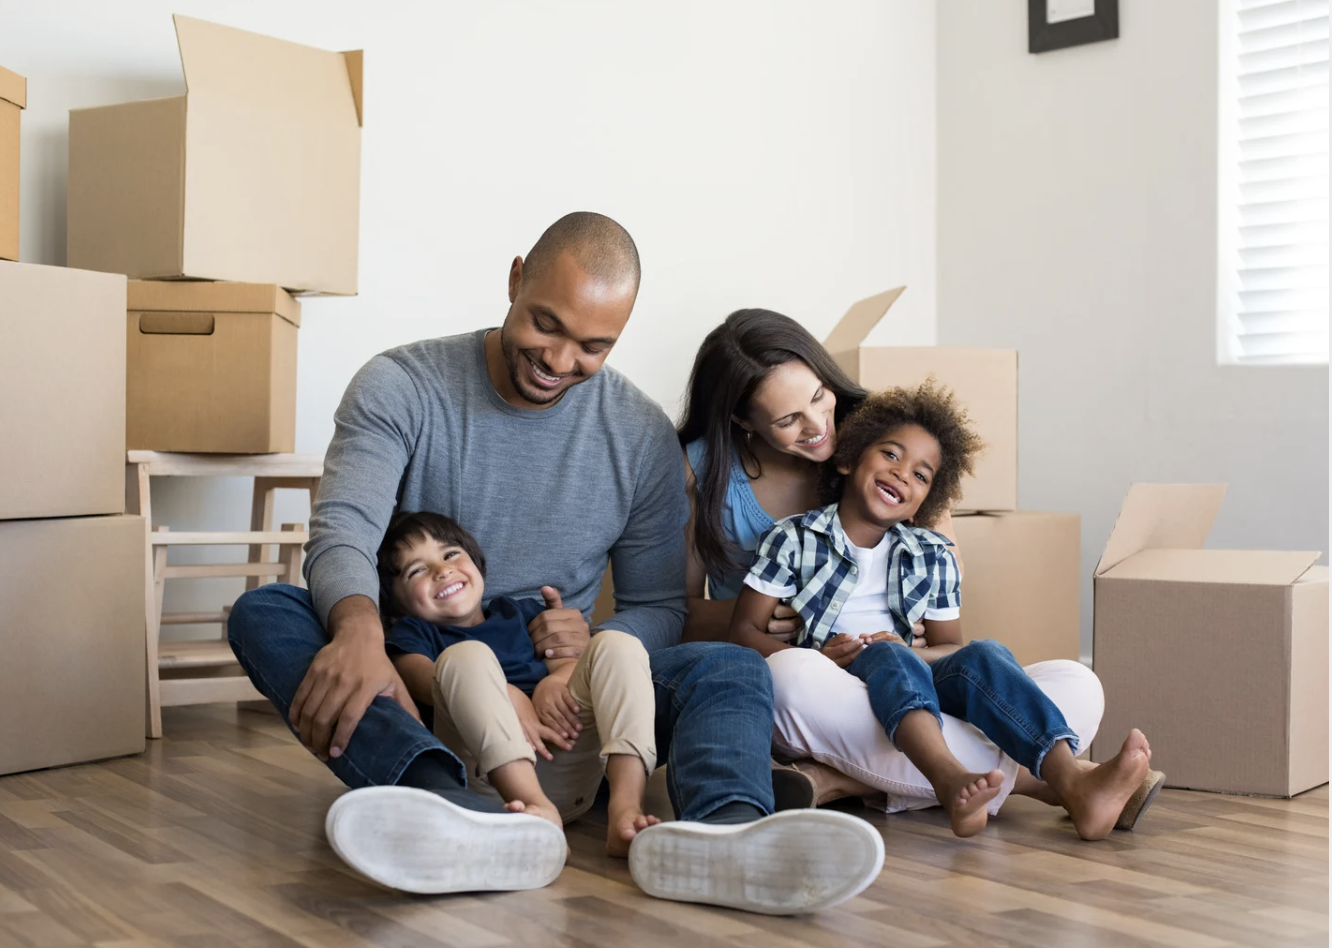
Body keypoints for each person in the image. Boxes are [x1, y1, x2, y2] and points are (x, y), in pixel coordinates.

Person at [228, 213, 884, 913]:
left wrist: (586, 653)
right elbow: (344, 532)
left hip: (570, 706)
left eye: (593, 346)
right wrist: (360, 632)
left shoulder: (637, 435)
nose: (560, 360)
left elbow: (659, 605)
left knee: (729, 665)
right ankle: (439, 801)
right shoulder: (401, 386)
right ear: (516, 279)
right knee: (268, 612)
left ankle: (725, 832)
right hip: (423, 675)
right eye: (547, 324)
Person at [678, 309, 1155, 827]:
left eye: (818, 396)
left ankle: (837, 781)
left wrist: (921, 645)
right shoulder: (752, 508)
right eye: (789, 419)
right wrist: (771, 623)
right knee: (796, 675)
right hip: (814, 680)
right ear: (744, 422)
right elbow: (679, 613)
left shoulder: (889, 441)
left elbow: (944, 625)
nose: (820, 427)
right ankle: (1047, 782)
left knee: (1075, 683)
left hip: (912, 675)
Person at [376, 510, 660, 857]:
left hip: (569, 755)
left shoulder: (519, 612)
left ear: (477, 564)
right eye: (417, 570)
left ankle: (626, 809)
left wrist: (553, 681)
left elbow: (570, 663)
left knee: (618, 644)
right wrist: (506, 693)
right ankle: (536, 809)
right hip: (493, 779)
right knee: (466, 656)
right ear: (395, 605)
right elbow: (421, 681)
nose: (442, 570)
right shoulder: (412, 634)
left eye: (450, 554)